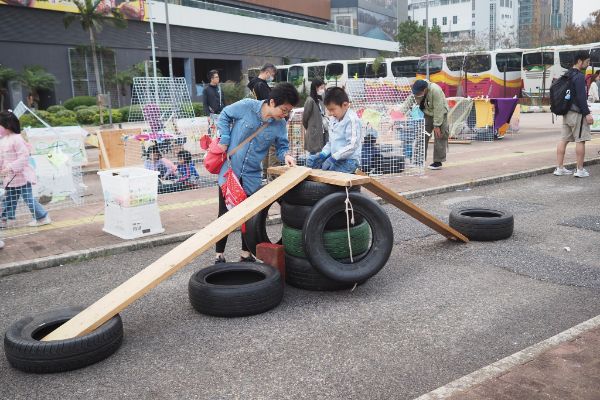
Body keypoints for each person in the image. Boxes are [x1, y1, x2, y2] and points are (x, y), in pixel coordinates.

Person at [214, 82, 298, 264]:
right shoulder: (246, 106)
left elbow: (282, 146)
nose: (285, 115)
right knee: (224, 214)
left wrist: (287, 156)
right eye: (284, 110)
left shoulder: (280, 124)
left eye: (288, 112)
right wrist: (225, 138)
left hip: (252, 175)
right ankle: (219, 255)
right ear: (273, 102)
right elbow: (225, 114)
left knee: (250, 217)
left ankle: (246, 253)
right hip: (230, 171)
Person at [0, 111, 51, 228]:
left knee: (27, 198)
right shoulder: (3, 140)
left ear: (7, 125)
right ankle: (4, 219)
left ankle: (42, 217)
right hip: (10, 177)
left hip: (22, 176)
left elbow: (24, 157)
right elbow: (1, 156)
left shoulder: (17, 139)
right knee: (9, 198)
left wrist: (9, 167)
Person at [554, 51, 593, 178]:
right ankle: (580, 169)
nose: (588, 65)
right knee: (580, 141)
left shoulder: (567, 74)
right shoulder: (579, 76)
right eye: (587, 62)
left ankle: (559, 168)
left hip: (566, 112)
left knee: (563, 140)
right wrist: (587, 113)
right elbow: (581, 97)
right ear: (580, 61)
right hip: (577, 114)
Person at [307, 87, 362, 173]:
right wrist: (323, 154)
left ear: (345, 105)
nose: (331, 113)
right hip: (335, 158)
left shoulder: (351, 120)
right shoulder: (334, 119)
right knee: (312, 161)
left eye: (333, 109)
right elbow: (331, 142)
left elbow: (352, 146)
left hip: (349, 161)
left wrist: (333, 158)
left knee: (330, 174)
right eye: (329, 110)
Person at [400, 79, 449, 170]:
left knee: (440, 136)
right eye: (416, 93)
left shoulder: (435, 90)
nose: (417, 95)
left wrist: (437, 125)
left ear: (425, 89)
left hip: (440, 114)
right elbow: (407, 103)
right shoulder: (417, 90)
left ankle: (438, 162)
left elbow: (439, 109)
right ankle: (419, 160)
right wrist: (398, 115)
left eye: (419, 93)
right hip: (427, 114)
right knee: (421, 135)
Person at [248, 63, 279, 179]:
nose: (272, 77)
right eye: (272, 74)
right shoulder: (261, 85)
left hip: (260, 119)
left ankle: (266, 175)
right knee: (273, 147)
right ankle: (273, 175)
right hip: (267, 119)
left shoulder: (254, 84)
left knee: (265, 148)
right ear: (267, 72)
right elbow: (269, 103)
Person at [302, 79, 328, 154]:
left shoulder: (320, 100)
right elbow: (305, 118)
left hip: (322, 131)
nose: (323, 90)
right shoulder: (310, 100)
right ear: (316, 87)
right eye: (321, 88)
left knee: (322, 151)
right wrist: (311, 128)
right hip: (314, 132)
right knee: (313, 153)